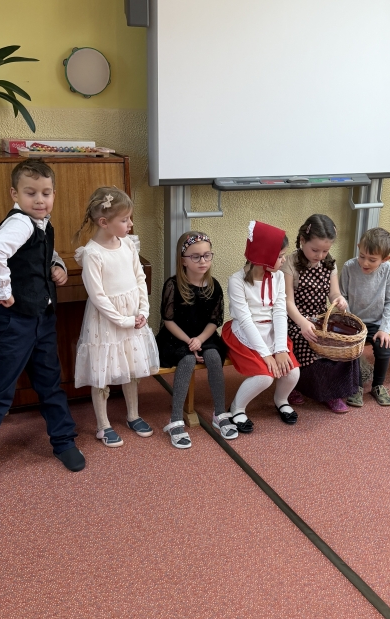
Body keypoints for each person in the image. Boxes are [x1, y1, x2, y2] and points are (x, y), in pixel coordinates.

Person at [0, 159, 85, 491]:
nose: (40, 200)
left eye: (46, 193)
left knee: (50, 383)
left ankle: (63, 441)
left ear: (54, 193)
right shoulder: (19, 223)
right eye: (31, 193)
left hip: (41, 320)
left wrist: (57, 265)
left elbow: (42, 253)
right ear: (14, 194)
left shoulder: (41, 222)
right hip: (14, 323)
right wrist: (2, 291)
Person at [73, 187, 159, 446]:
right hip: (107, 321)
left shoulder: (128, 244)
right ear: (104, 222)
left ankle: (133, 415)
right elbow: (98, 296)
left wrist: (143, 311)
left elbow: (140, 278)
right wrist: (123, 320)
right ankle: (103, 425)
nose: (130, 224)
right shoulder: (92, 254)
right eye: (125, 219)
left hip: (133, 316)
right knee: (103, 372)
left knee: (131, 367)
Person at [157, 232, 237, 449]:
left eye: (207, 255)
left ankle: (219, 414)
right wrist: (189, 341)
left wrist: (199, 340)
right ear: (183, 260)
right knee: (187, 360)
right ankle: (176, 420)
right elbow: (168, 320)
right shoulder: (173, 285)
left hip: (204, 336)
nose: (203, 261)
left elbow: (214, 321)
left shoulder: (214, 286)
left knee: (213, 357)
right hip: (176, 337)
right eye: (195, 256)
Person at [222, 221, 300, 433]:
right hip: (245, 334)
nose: (284, 260)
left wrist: (280, 349)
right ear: (264, 255)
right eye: (280, 255)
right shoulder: (236, 281)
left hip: (272, 333)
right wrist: (266, 355)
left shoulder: (279, 276)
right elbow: (245, 320)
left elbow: (280, 312)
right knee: (264, 377)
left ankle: (281, 400)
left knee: (292, 373)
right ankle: (237, 407)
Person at [283, 213, 359, 414]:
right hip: (295, 320)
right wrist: (302, 323)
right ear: (302, 240)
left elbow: (334, 293)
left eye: (325, 251)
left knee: (342, 345)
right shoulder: (289, 262)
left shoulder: (329, 263)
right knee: (309, 346)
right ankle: (295, 386)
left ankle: (337, 392)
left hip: (321, 318)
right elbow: (287, 302)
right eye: (315, 250)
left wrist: (339, 299)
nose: (320, 255)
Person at [339, 226, 390, 407]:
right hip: (352, 322)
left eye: (372, 260)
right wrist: (350, 321)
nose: (365, 263)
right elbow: (342, 296)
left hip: (376, 324)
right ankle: (356, 387)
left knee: (384, 349)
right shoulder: (349, 267)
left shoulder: (388, 270)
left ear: (385, 259)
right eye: (362, 256)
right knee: (353, 350)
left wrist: (385, 329)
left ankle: (378, 385)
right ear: (358, 247)